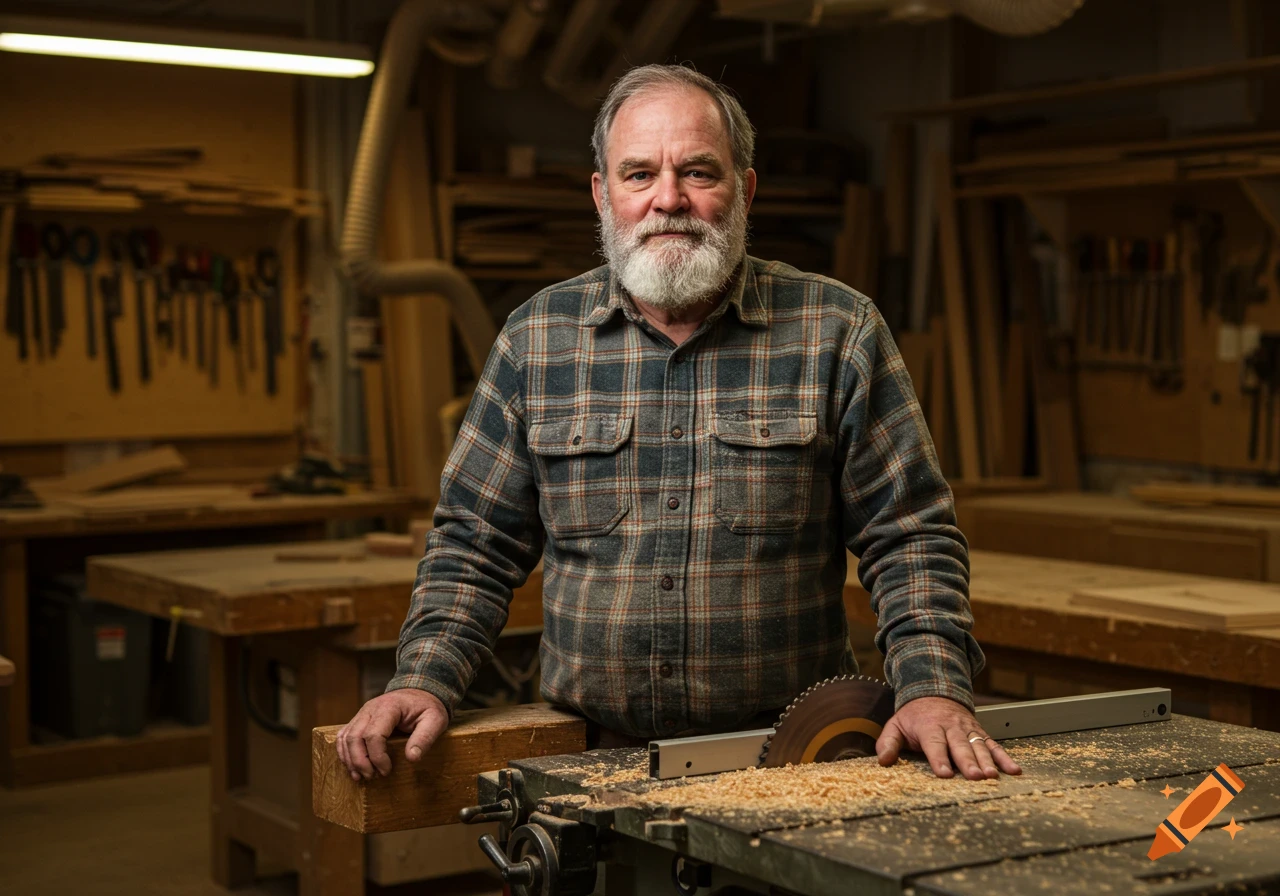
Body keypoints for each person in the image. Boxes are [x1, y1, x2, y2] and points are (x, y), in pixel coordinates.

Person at [337, 63, 1021, 784]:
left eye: (698, 172)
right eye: (638, 175)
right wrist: (423, 678)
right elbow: (474, 544)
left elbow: (908, 533)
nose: (669, 199)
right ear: (604, 195)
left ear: (745, 191)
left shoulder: (836, 330)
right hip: (589, 758)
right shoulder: (536, 340)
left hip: (792, 762)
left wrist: (933, 685)